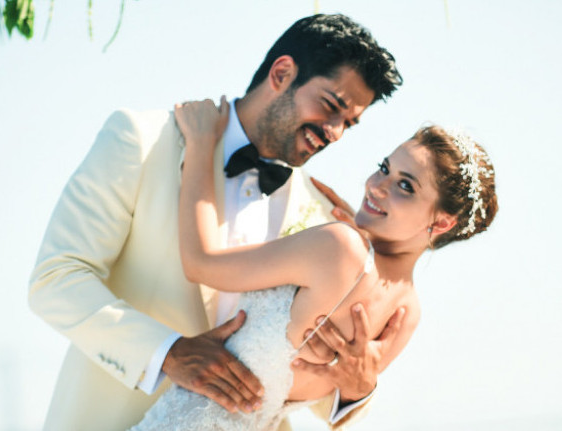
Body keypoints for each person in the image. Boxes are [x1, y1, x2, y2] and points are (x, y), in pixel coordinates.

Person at [29, 14, 402, 430]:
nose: (335, 132)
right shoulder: (143, 141)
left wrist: (357, 387)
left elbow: (312, 378)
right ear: (282, 73)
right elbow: (57, 280)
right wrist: (168, 352)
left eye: (348, 123)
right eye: (331, 106)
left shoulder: (323, 219)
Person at [127, 99, 498, 430]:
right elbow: (337, 409)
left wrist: (200, 145)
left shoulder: (339, 247)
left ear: (443, 223)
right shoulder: (406, 312)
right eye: (384, 168)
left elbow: (201, 263)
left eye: (406, 186)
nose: (376, 185)